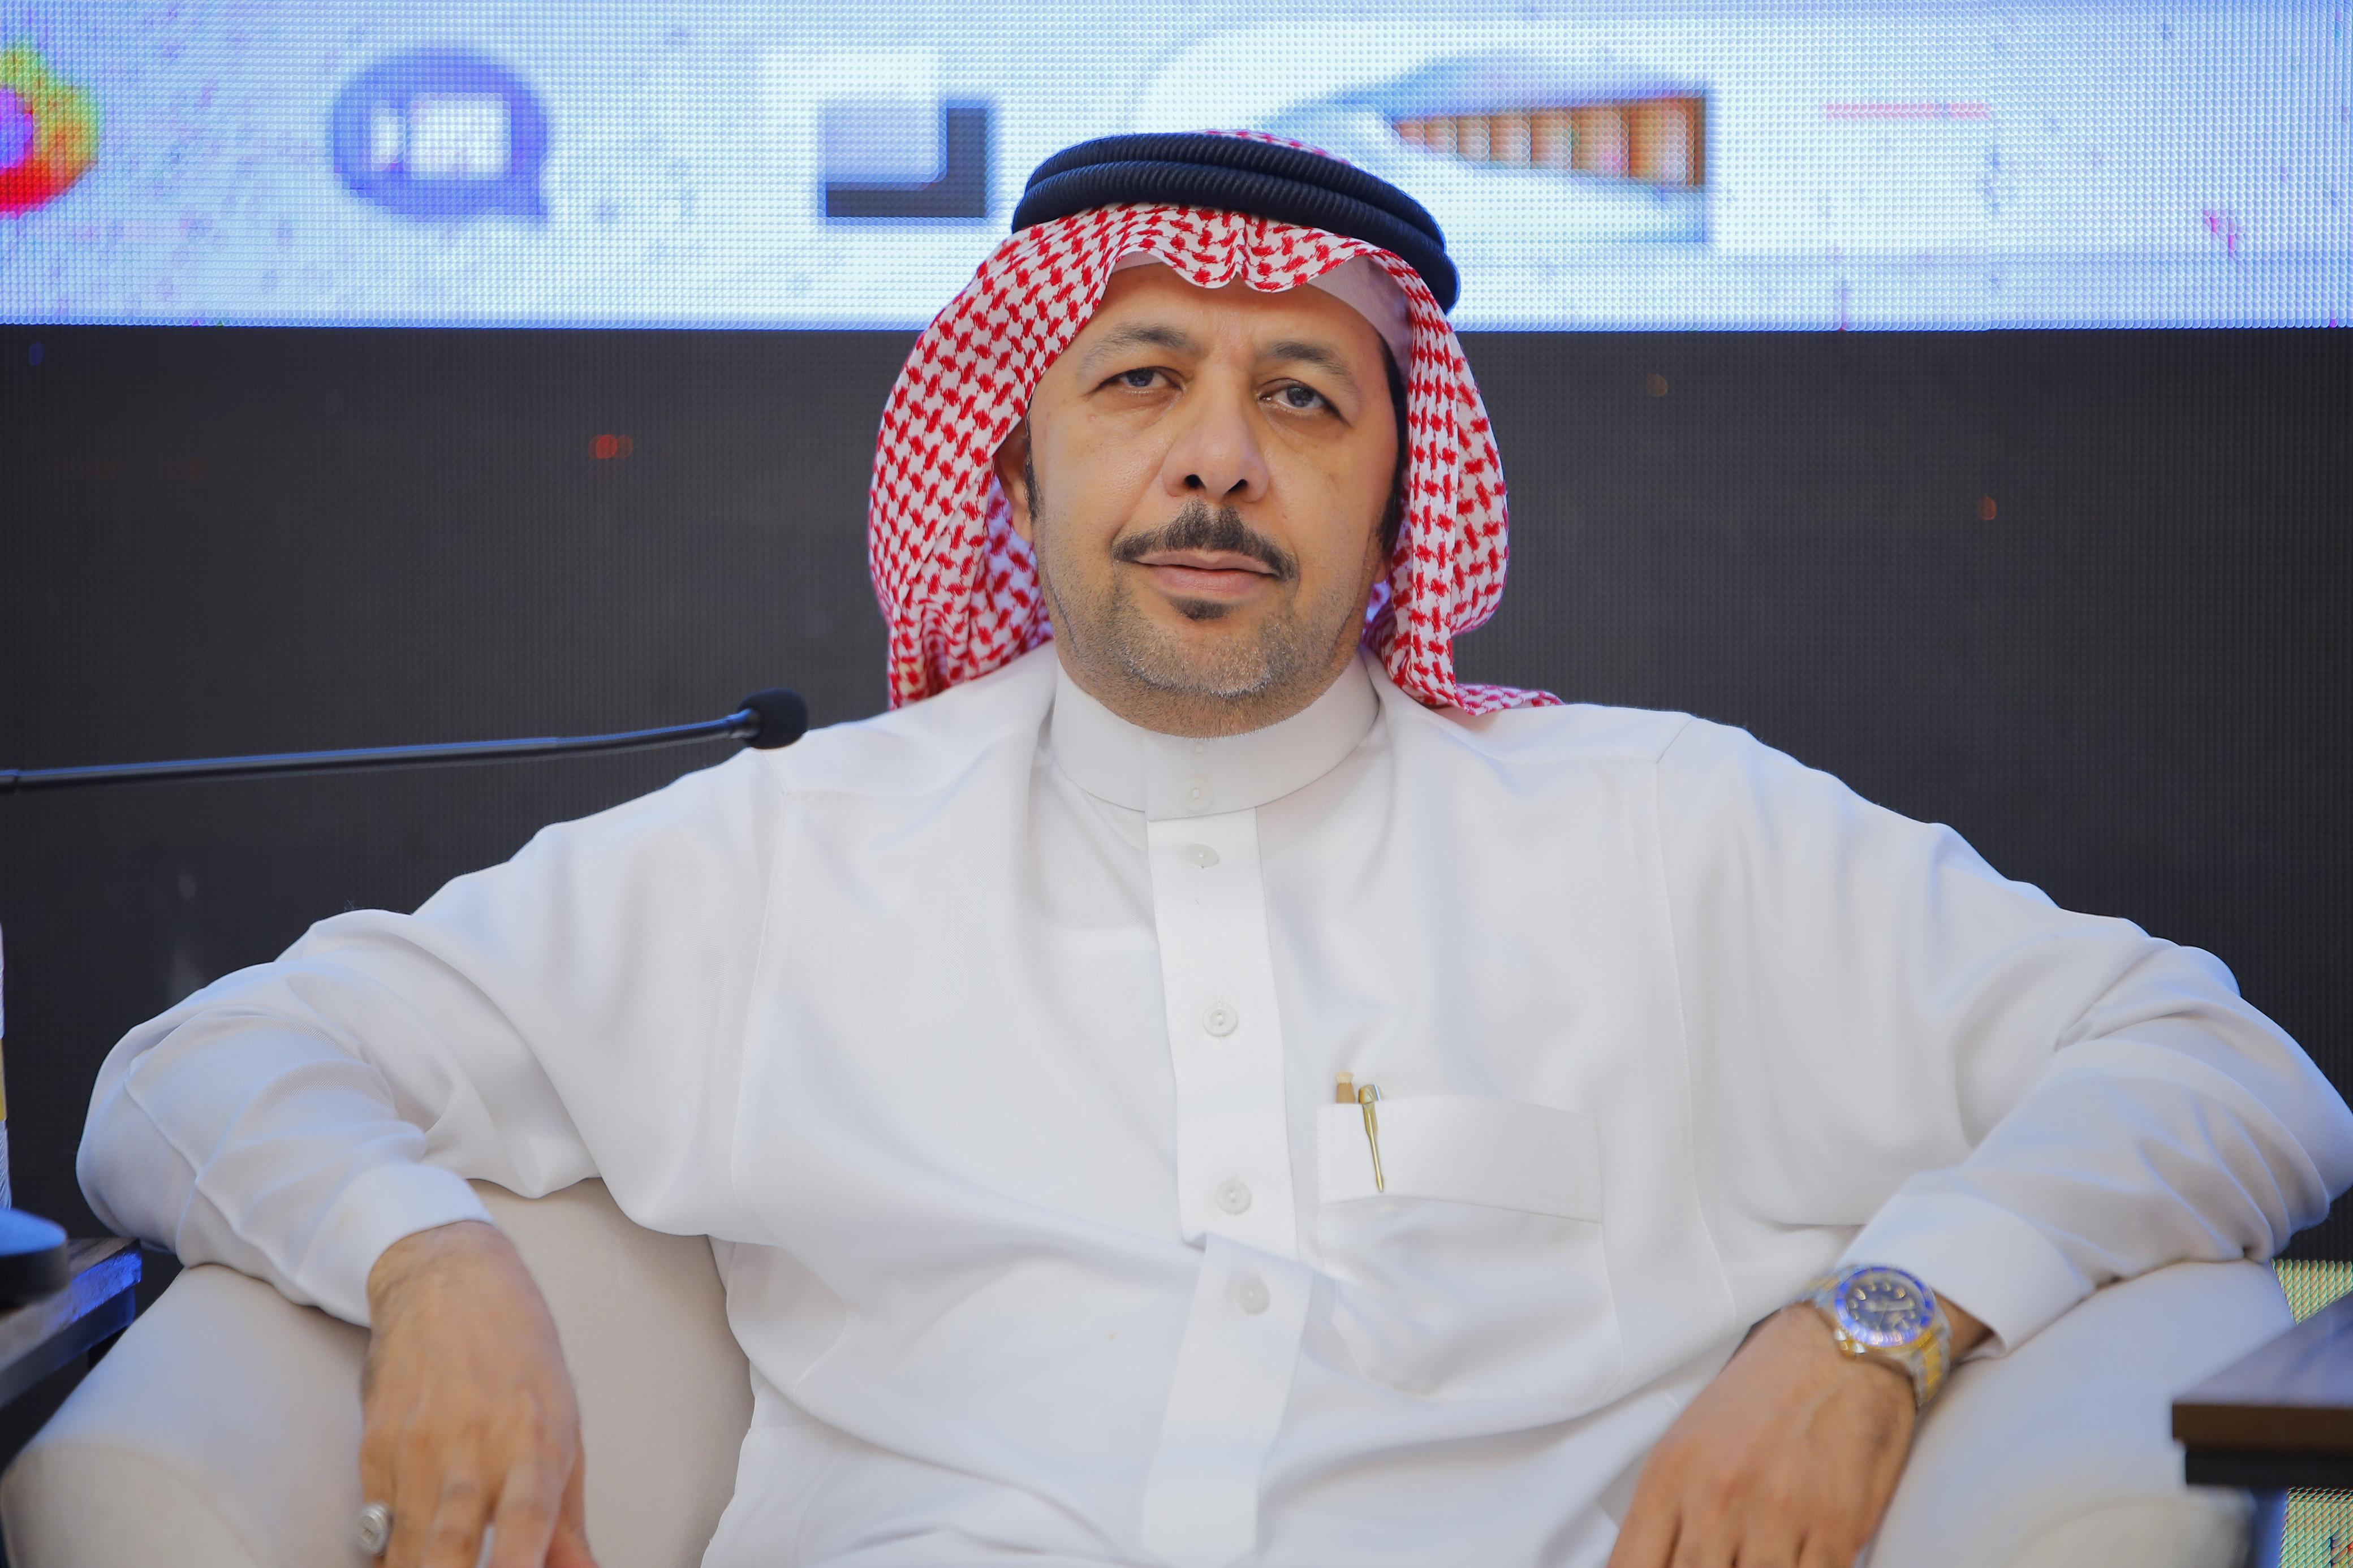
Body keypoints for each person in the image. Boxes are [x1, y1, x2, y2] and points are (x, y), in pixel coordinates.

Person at [79, 133, 2352, 1568]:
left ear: (1395, 490)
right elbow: (191, 1075)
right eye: (1141, 378)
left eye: (1301, 397)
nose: (1216, 460)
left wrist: (1876, 1326)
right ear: (1016, 459)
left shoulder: (1668, 833)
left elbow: (2225, 1068)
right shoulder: (780, 859)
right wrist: (429, 1261)